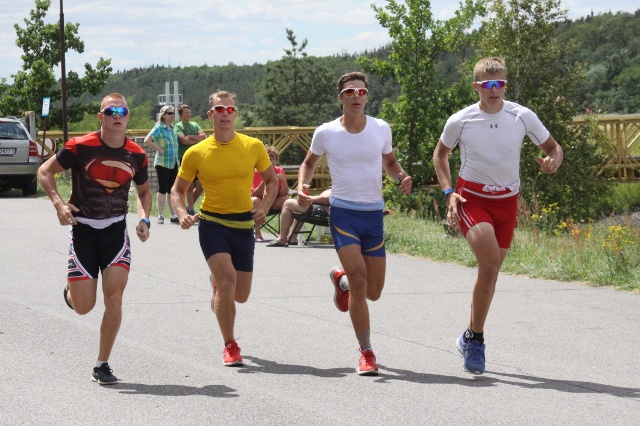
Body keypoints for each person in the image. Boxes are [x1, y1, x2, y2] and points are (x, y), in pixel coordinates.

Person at [433, 56, 563, 375]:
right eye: (488, 84)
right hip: (471, 198)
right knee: (489, 264)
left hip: (507, 201)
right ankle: (476, 340)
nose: (494, 90)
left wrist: (554, 160)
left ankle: (468, 334)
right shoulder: (461, 120)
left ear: (505, 84)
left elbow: (553, 147)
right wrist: (449, 193)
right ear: (476, 86)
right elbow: (440, 155)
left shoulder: (521, 115)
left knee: (490, 274)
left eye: (500, 83)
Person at [298, 72, 412, 376]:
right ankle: (366, 351)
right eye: (350, 92)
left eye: (361, 92)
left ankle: (342, 281)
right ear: (341, 98)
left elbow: (390, 162)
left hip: (373, 214)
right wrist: (302, 186)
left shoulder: (380, 128)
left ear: (367, 97)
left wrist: (401, 177)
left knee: (373, 291)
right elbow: (308, 163)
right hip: (343, 213)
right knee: (361, 281)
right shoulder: (326, 132)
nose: (356, 96)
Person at [37, 93, 152, 385]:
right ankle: (72, 293)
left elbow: (143, 192)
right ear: (101, 117)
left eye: (122, 111)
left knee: (114, 297)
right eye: (110, 111)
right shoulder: (80, 146)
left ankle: (102, 364)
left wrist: (144, 219)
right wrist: (58, 203)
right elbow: (45, 171)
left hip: (115, 233)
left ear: (128, 117)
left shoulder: (137, 154)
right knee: (83, 307)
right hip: (83, 232)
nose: (117, 116)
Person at [171, 91, 278, 366]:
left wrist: (265, 207)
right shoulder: (197, 152)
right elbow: (177, 190)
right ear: (210, 115)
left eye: (230, 109)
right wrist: (183, 213)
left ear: (236, 114)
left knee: (240, 295)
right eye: (219, 109)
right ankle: (230, 345)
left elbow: (272, 181)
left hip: (243, 225)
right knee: (228, 281)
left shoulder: (253, 146)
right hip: (212, 223)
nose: (225, 114)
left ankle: (216, 286)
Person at [144, 105, 179, 224]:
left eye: (173, 113)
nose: (172, 115)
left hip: (173, 162)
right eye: (169, 113)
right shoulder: (159, 128)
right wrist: (159, 149)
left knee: (171, 189)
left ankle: (173, 214)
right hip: (163, 162)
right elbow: (147, 140)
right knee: (163, 188)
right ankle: (160, 215)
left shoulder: (172, 128)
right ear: (163, 115)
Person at [266, 188, 331, 247]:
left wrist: (308, 198)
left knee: (288, 203)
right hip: (323, 208)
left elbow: (326, 200)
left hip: (323, 211)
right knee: (298, 205)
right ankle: (292, 237)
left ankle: (282, 239)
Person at [251, 146, 289, 241]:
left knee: (285, 199)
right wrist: (266, 182)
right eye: (269, 159)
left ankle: (283, 235)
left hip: (274, 202)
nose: (271, 161)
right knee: (255, 200)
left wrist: (282, 181)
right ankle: (257, 232)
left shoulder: (279, 171)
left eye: (273, 159)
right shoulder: (256, 172)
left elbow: (284, 193)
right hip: (261, 203)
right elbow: (254, 194)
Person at [175, 104, 206, 215]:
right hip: (185, 157)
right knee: (189, 186)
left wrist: (191, 137)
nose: (188, 115)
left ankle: (189, 206)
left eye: (189, 112)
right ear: (181, 115)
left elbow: (203, 137)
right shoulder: (178, 126)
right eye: (186, 113)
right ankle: (191, 210)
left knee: (200, 186)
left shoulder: (195, 124)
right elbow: (184, 141)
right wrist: (197, 139)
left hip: (198, 158)